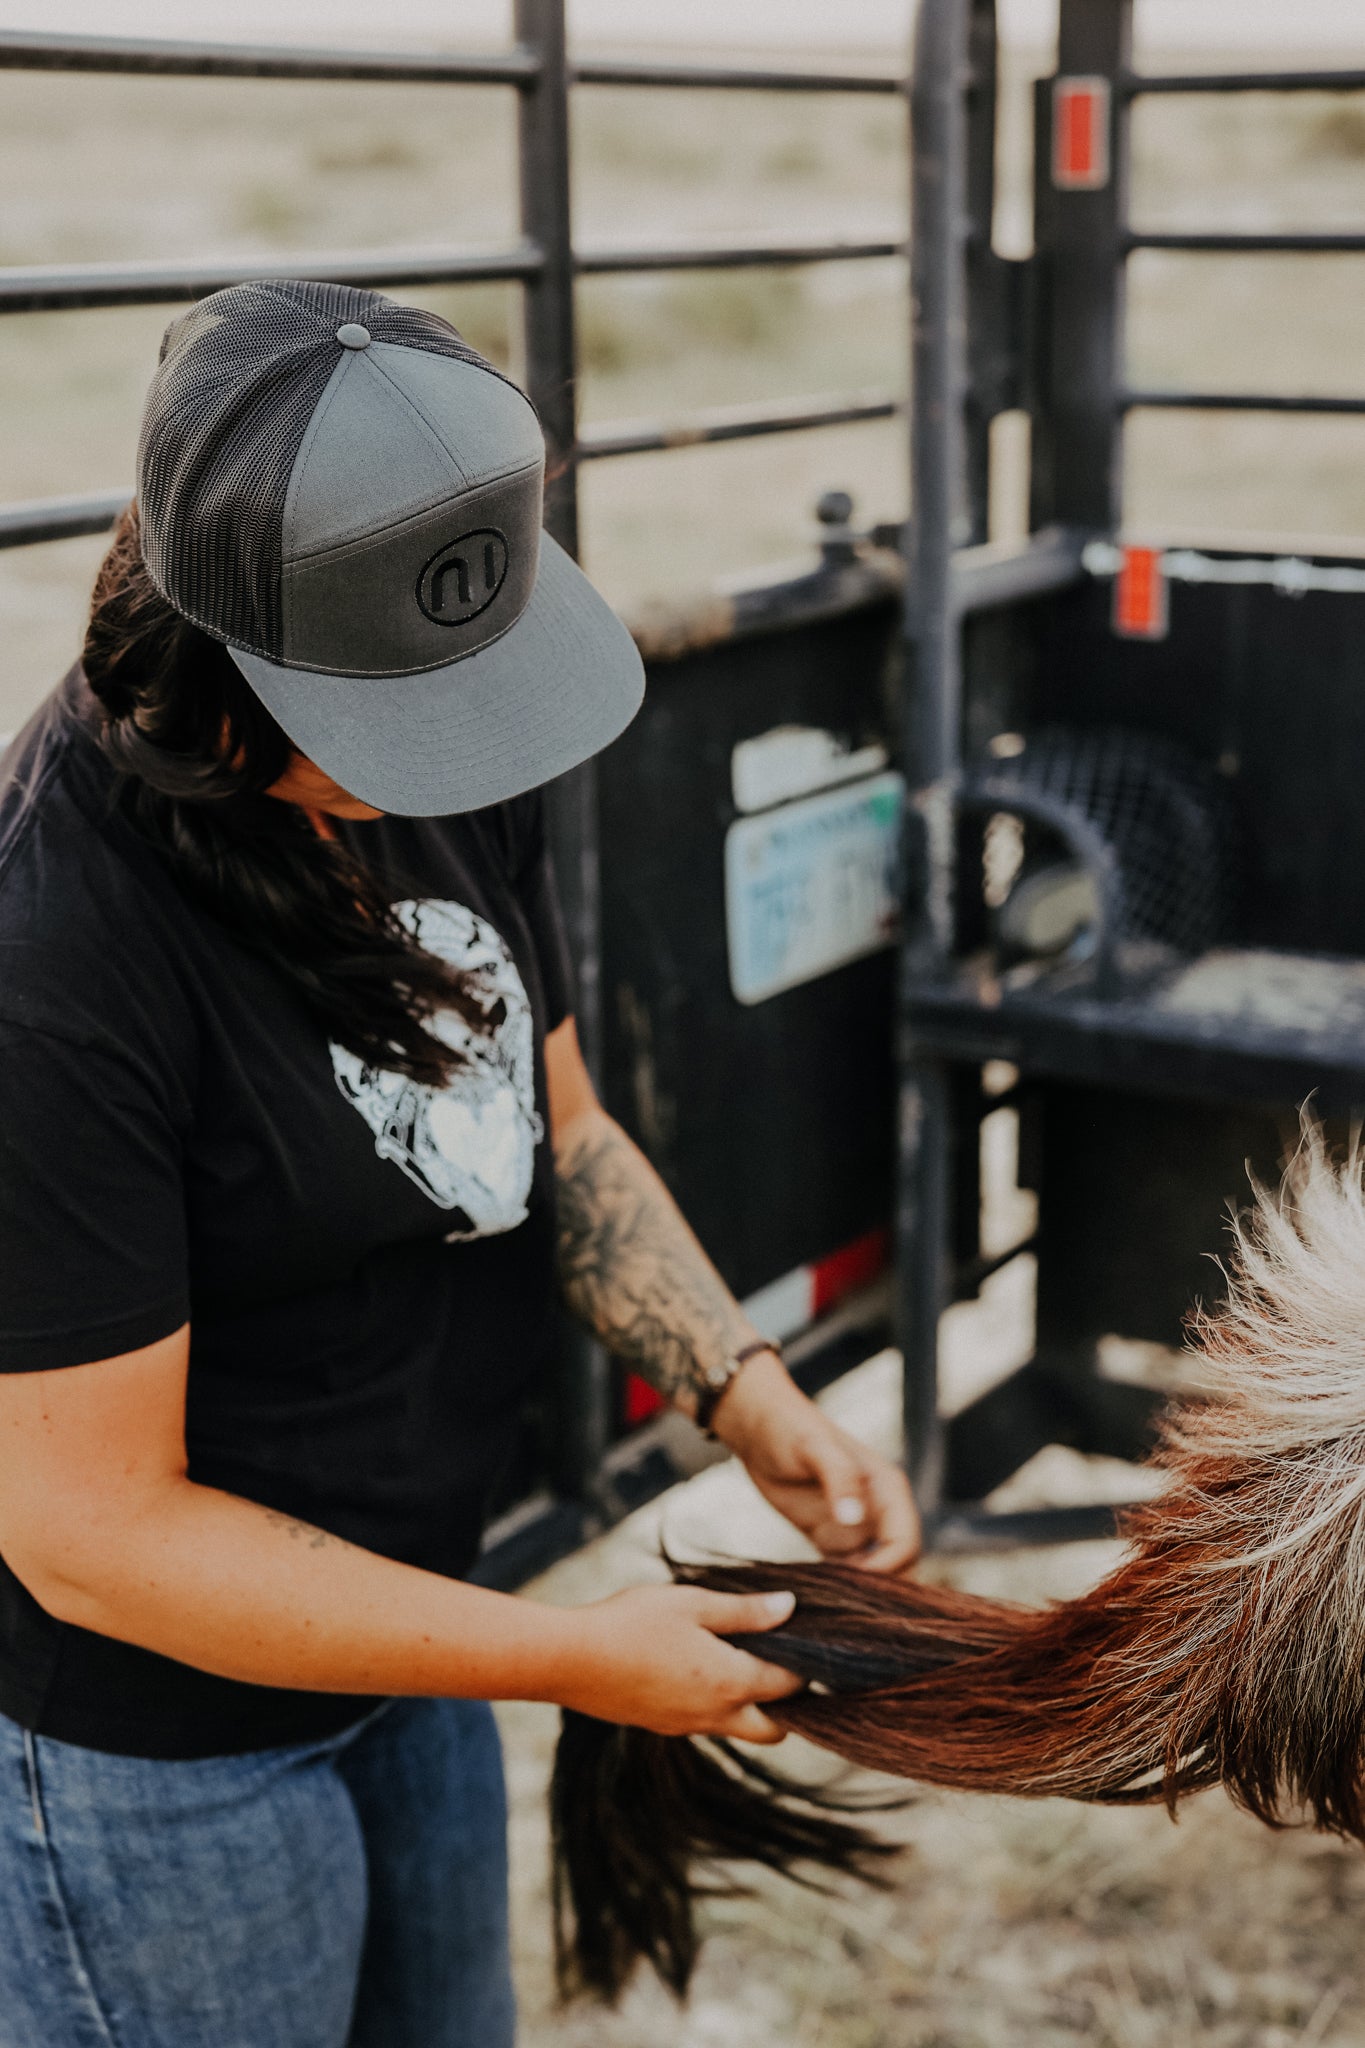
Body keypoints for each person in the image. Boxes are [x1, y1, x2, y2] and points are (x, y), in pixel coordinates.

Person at [0, 280, 919, 2048]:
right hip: (158, 1758)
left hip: (417, 1628)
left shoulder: (436, 747)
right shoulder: (54, 963)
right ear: (228, 670)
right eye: (408, 715)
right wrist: (575, 1660)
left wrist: (740, 1383)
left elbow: (556, 1131)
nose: (464, 754)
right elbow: (92, 1537)